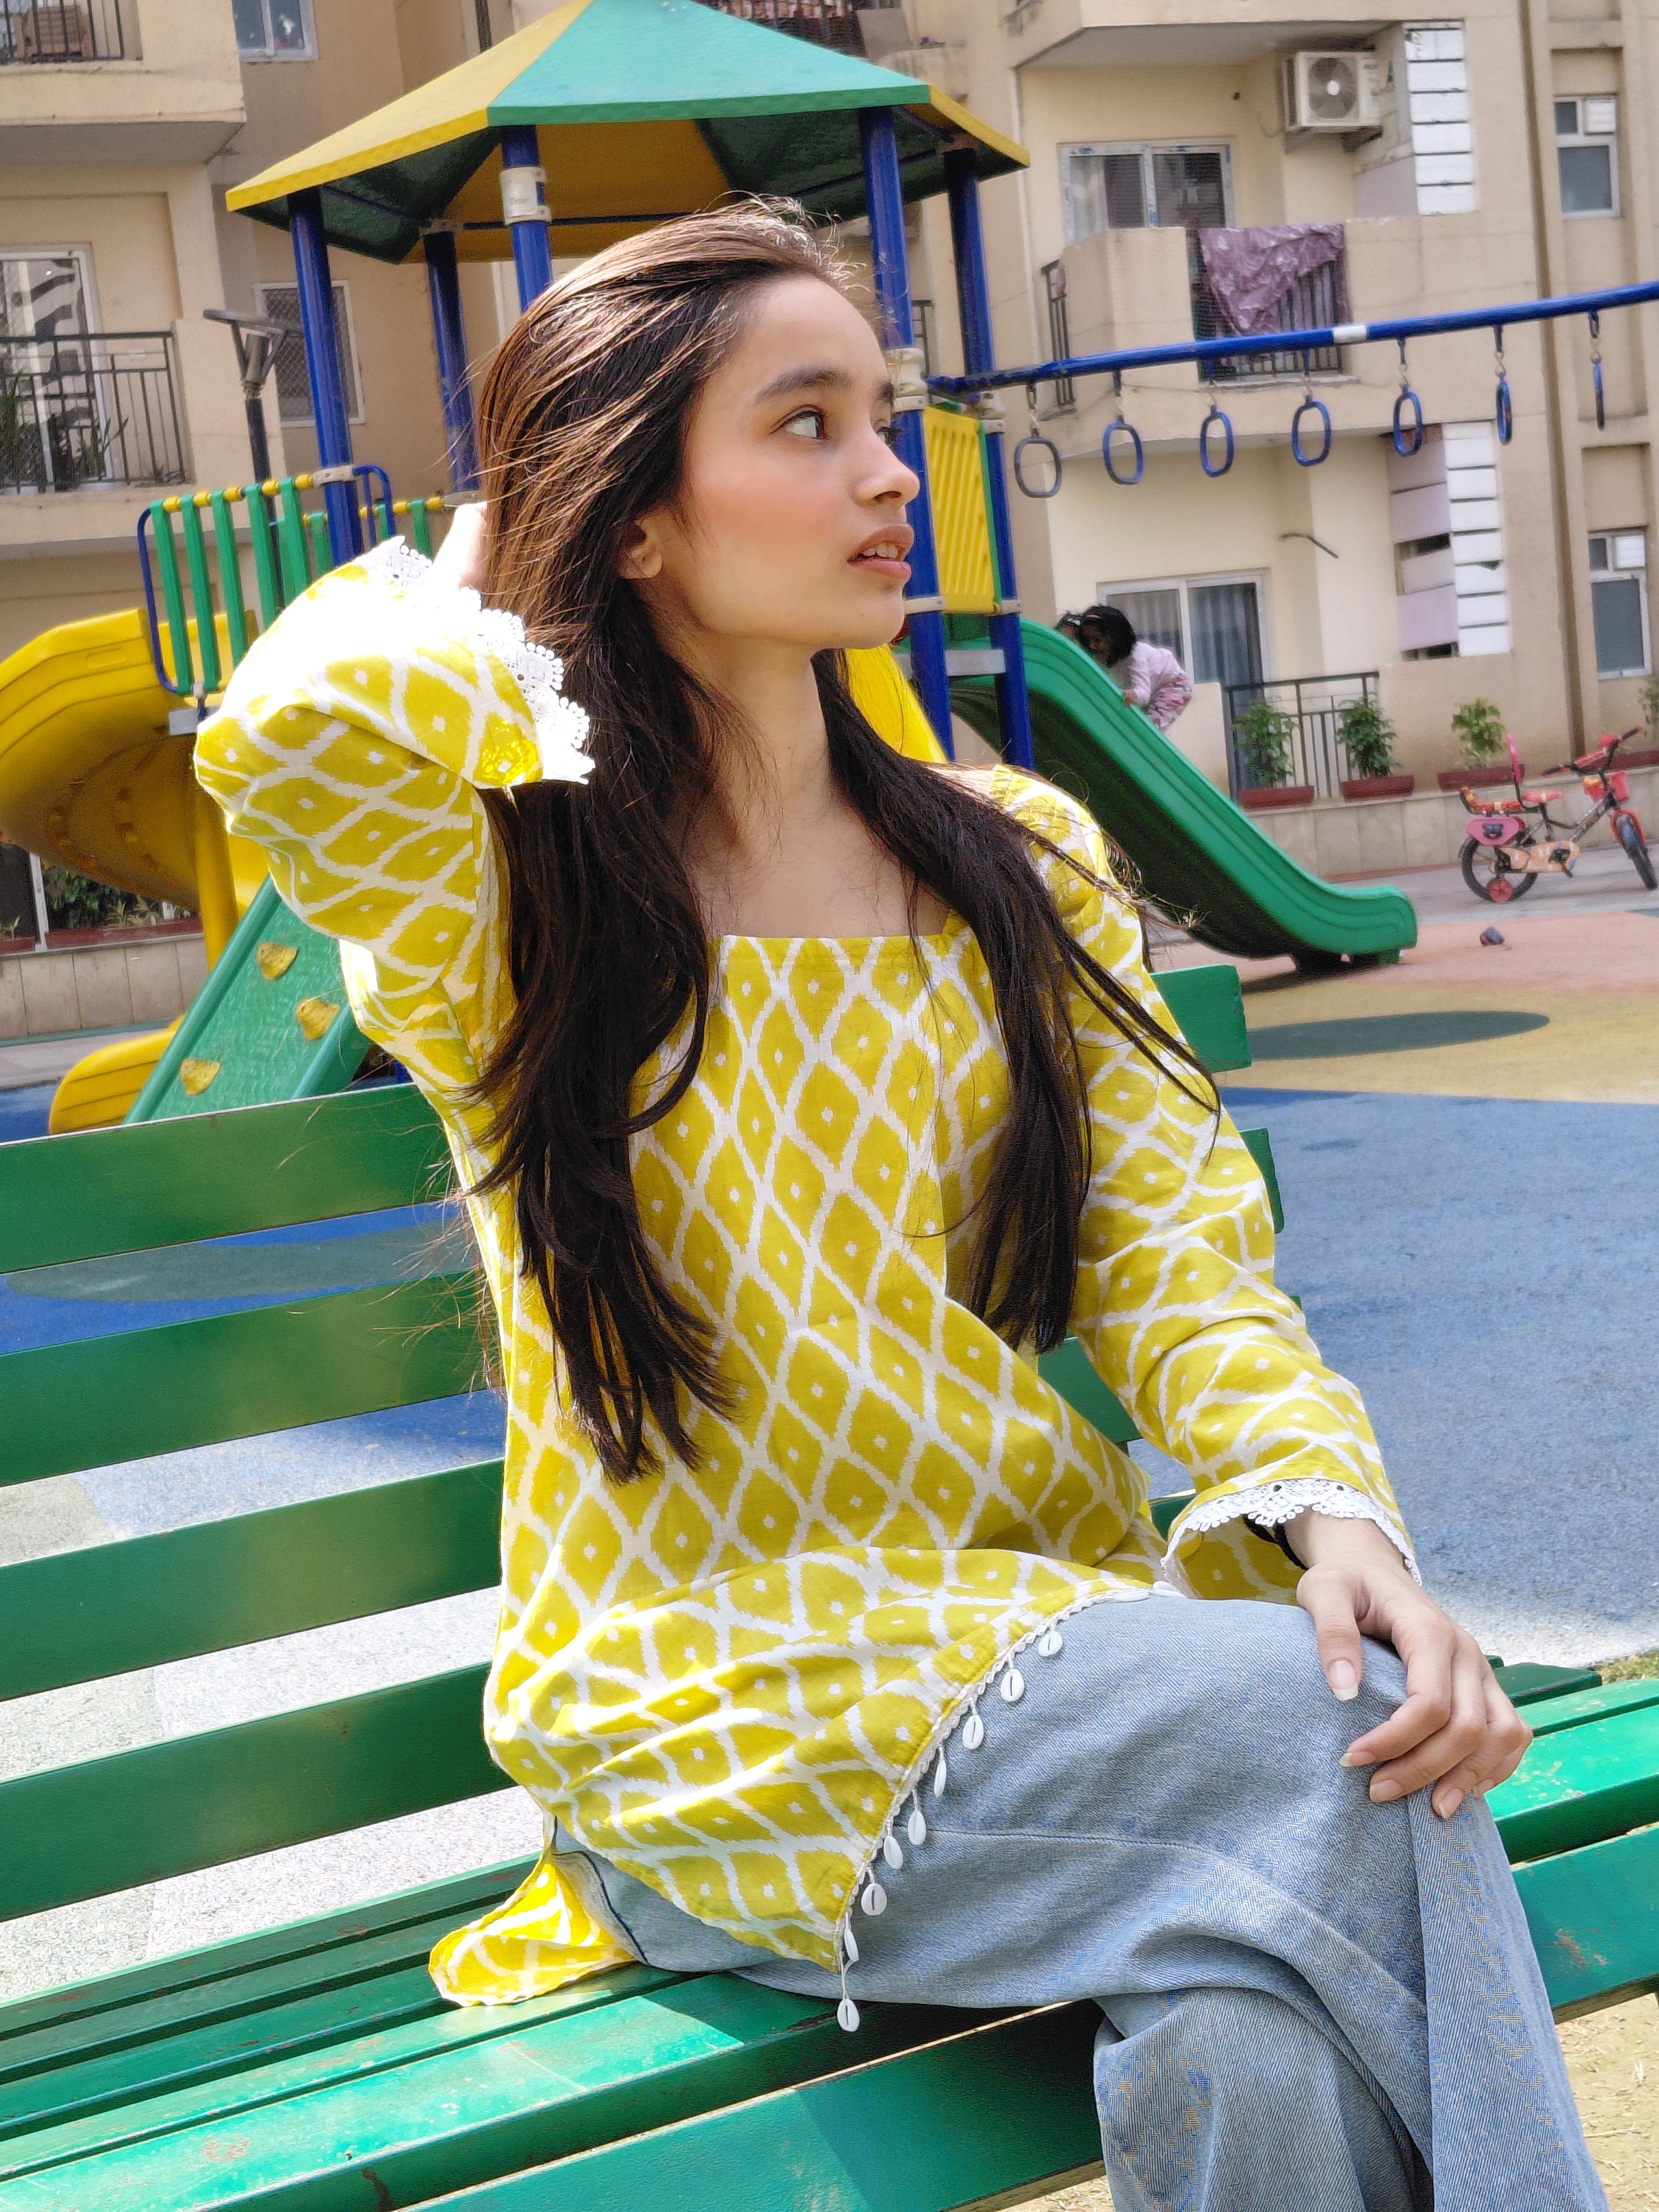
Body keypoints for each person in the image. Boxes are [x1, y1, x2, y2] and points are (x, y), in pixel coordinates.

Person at [196, 204, 1602, 2212]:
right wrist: (509, 548)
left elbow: (1165, 1252)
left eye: (887, 412)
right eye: (804, 422)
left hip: (1021, 1643)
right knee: (1348, 1741)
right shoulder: (504, 901)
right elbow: (294, 731)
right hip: (706, 1698)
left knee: (1248, 2032)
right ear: (638, 519)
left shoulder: (1010, 860)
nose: (885, 473)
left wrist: (1330, 1508)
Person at [1070, 603, 1194, 731]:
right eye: (1088, 640)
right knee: (1134, 722)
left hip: (1173, 685)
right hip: (1152, 689)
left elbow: (1144, 693)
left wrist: (1133, 695)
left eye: (1097, 640)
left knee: (1149, 728)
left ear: (1115, 639)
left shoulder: (1136, 655)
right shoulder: (1101, 657)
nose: (1092, 646)